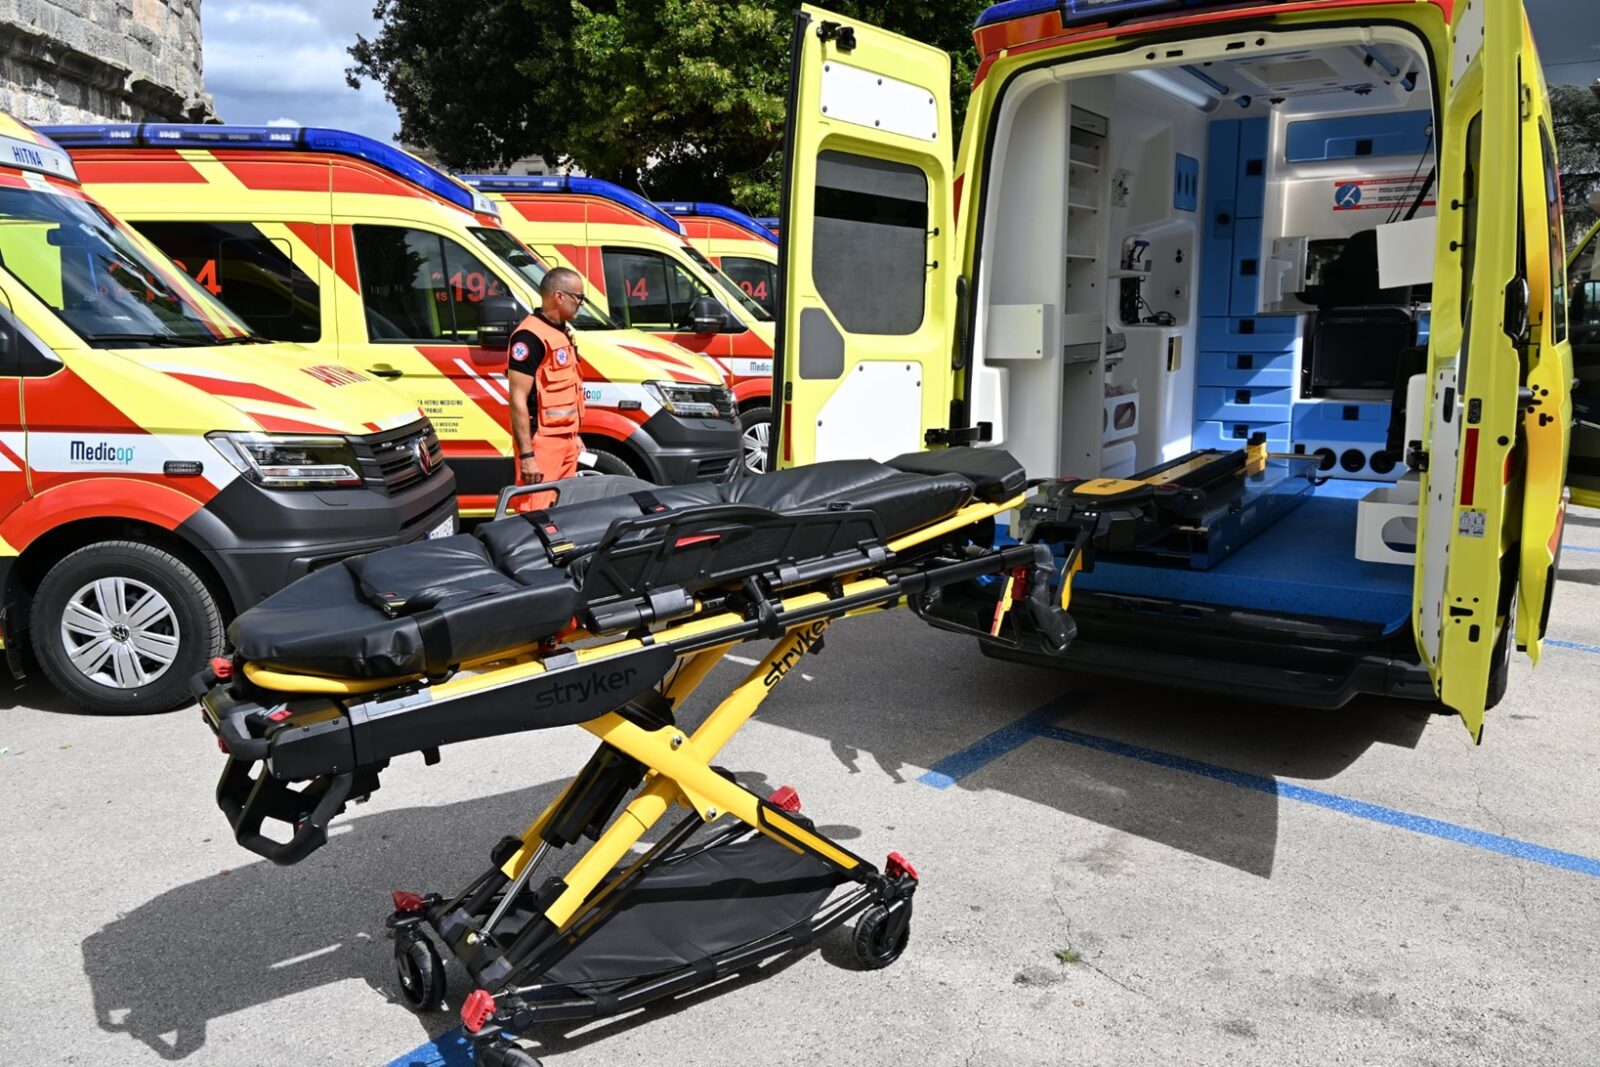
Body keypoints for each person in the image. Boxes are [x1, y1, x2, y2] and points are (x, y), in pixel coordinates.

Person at [507, 267, 588, 511]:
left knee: (562, 512)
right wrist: (527, 456)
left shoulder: (562, 332)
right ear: (559, 296)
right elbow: (518, 399)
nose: (581, 303)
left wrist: (574, 436)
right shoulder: (529, 337)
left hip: (566, 441)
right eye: (579, 297)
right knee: (535, 514)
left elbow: (567, 392)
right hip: (541, 444)